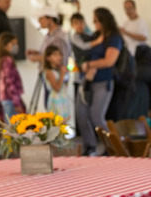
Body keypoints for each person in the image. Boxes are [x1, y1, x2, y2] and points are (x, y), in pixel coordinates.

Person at [77, 7, 123, 156]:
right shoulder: (96, 36)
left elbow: (110, 61)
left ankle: (112, 147)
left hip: (103, 81)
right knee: (82, 114)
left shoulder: (114, 38)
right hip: (88, 81)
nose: (94, 23)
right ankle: (89, 147)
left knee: (96, 115)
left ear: (104, 21)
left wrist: (91, 65)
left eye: (96, 21)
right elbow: (85, 52)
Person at [0, 32, 25, 121]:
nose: (16, 46)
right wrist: (17, 103)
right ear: (5, 45)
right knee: (12, 129)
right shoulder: (8, 60)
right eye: (13, 44)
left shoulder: (1, 60)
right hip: (10, 99)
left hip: (5, 98)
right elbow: (10, 83)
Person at [43, 45, 72, 121]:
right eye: (55, 55)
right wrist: (62, 75)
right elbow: (57, 88)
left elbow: (64, 86)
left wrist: (65, 74)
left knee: (65, 122)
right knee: (58, 123)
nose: (59, 57)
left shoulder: (58, 70)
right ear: (48, 58)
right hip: (56, 100)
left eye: (59, 54)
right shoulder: (49, 72)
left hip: (63, 98)